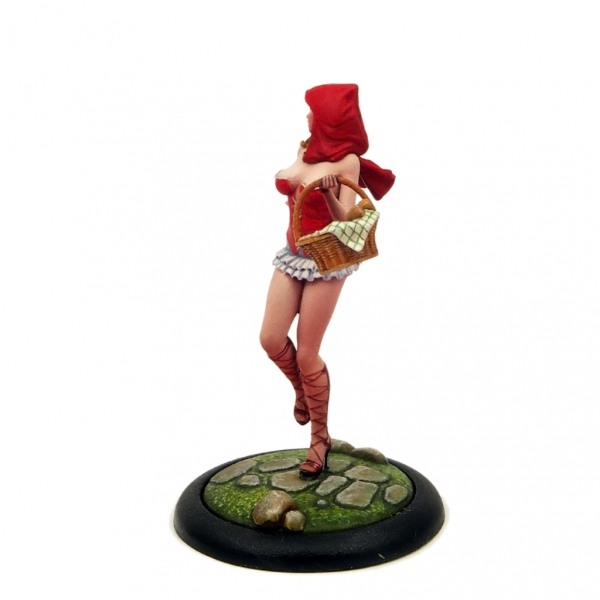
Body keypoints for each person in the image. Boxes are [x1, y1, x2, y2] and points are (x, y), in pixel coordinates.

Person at [259, 84, 395, 479]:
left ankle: (320, 439)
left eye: (313, 111)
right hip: (293, 253)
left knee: (307, 354)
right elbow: (291, 181)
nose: (307, 117)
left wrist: (332, 195)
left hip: (325, 260)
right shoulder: (305, 148)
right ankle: (303, 391)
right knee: (270, 339)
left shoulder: (346, 161)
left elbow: (345, 221)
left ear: (329, 119)